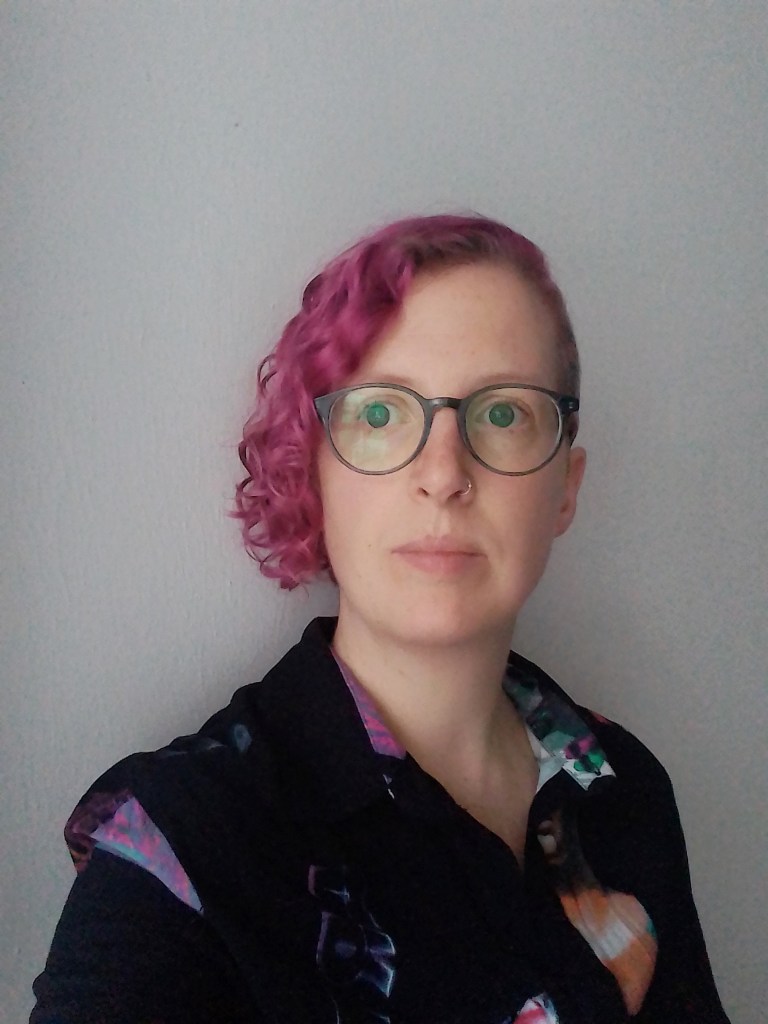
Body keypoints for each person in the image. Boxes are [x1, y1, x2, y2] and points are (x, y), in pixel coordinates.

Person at [30, 214, 731, 1023]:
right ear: (314, 471)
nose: (443, 474)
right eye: (379, 414)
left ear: (566, 487)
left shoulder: (628, 792)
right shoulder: (184, 846)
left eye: (503, 414)